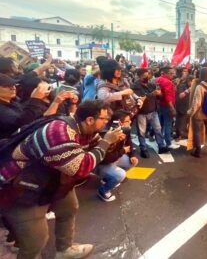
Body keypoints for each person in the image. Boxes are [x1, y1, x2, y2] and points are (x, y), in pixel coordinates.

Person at [1, 100, 123, 259]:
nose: (107, 123)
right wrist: (106, 142)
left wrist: (112, 143)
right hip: (22, 188)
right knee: (35, 241)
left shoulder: (84, 130)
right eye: (104, 119)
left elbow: (99, 152)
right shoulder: (59, 133)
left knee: (69, 207)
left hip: (51, 180)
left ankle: (65, 250)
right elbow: (79, 168)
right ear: (90, 120)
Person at [96, 110, 138, 202]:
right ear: (119, 122)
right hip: (102, 164)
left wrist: (132, 155)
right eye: (127, 121)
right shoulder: (107, 134)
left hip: (116, 157)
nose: (130, 122)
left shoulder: (125, 130)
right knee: (121, 175)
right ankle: (102, 191)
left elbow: (129, 143)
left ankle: (108, 178)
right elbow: (106, 158)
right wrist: (122, 150)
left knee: (132, 162)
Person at [132, 68, 170, 158]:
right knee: (141, 132)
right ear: (139, 76)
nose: (146, 77)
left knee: (158, 129)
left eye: (147, 75)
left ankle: (161, 146)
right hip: (141, 112)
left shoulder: (152, 85)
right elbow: (139, 99)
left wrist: (160, 94)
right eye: (144, 76)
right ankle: (143, 149)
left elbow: (159, 97)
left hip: (153, 111)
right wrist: (152, 94)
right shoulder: (135, 86)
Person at [187, 67, 207, 158]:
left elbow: (196, 103)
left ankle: (198, 151)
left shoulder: (199, 87)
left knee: (196, 132)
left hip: (199, 114)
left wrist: (190, 113)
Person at [156, 67, 179, 149]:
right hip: (167, 106)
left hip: (160, 105)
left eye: (173, 73)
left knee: (161, 124)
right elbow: (168, 97)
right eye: (171, 73)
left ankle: (160, 140)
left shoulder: (158, 79)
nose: (173, 75)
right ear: (165, 73)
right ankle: (168, 142)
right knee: (168, 124)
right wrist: (172, 108)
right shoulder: (167, 82)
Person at [175, 68, 192, 140]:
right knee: (181, 122)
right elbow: (180, 95)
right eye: (192, 82)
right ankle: (180, 135)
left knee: (182, 122)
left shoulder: (189, 86)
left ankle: (179, 134)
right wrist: (188, 90)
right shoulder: (182, 85)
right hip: (181, 106)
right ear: (189, 81)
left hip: (186, 106)